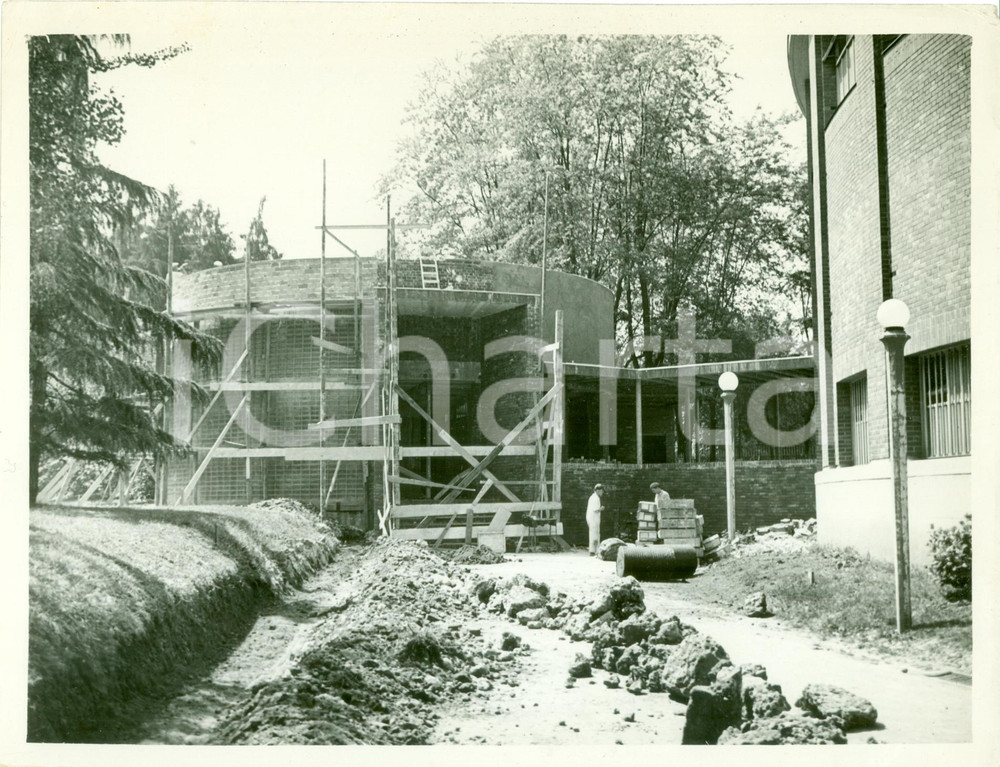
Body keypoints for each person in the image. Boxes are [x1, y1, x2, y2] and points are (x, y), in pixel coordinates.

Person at [586, 484, 605, 556]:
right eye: (601, 491)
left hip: (592, 518)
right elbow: (595, 509)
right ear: (597, 490)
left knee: (594, 534)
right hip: (593, 518)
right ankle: (593, 551)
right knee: (594, 534)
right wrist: (601, 508)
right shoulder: (595, 498)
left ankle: (594, 550)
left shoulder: (593, 497)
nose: (602, 493)